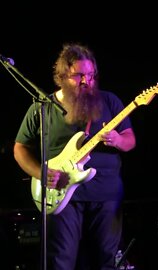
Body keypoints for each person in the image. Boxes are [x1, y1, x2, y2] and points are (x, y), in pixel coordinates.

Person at [13, 43, 136, 269]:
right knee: (60, 261)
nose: (85, 81)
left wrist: (117, 140)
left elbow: (130, 140)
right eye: (78, 75)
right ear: (62, 75)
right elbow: (20, 147)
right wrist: (40, 173)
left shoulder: (109, 101)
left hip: (106, 194)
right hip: (61, 198)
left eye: (90, 75)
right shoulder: (43, 108)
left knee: (107, 261)